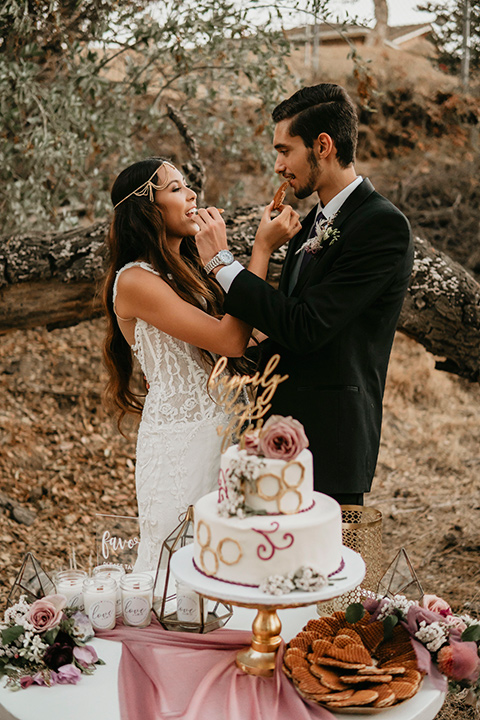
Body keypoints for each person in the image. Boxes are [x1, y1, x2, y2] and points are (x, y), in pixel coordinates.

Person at [195, 83, 414, 506]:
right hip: (278, 435)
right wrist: (208, 350)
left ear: (324, 145)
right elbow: (284, 323)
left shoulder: (382, 226)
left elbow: (307, 326)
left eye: (285, 150)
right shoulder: (308, 224)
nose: (278, 166)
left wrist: (222, 265)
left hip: (330, 444)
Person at [102, 157, 300, 570]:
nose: (192, 195)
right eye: (175, 189)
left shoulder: (189, 272)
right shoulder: (135, 281)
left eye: (188, 185)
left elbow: (252, 334)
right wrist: (258, 250)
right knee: (182, 566)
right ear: (146, 209)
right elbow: (231, 339)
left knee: (228, 562)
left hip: (226, 431)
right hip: (181, 443)